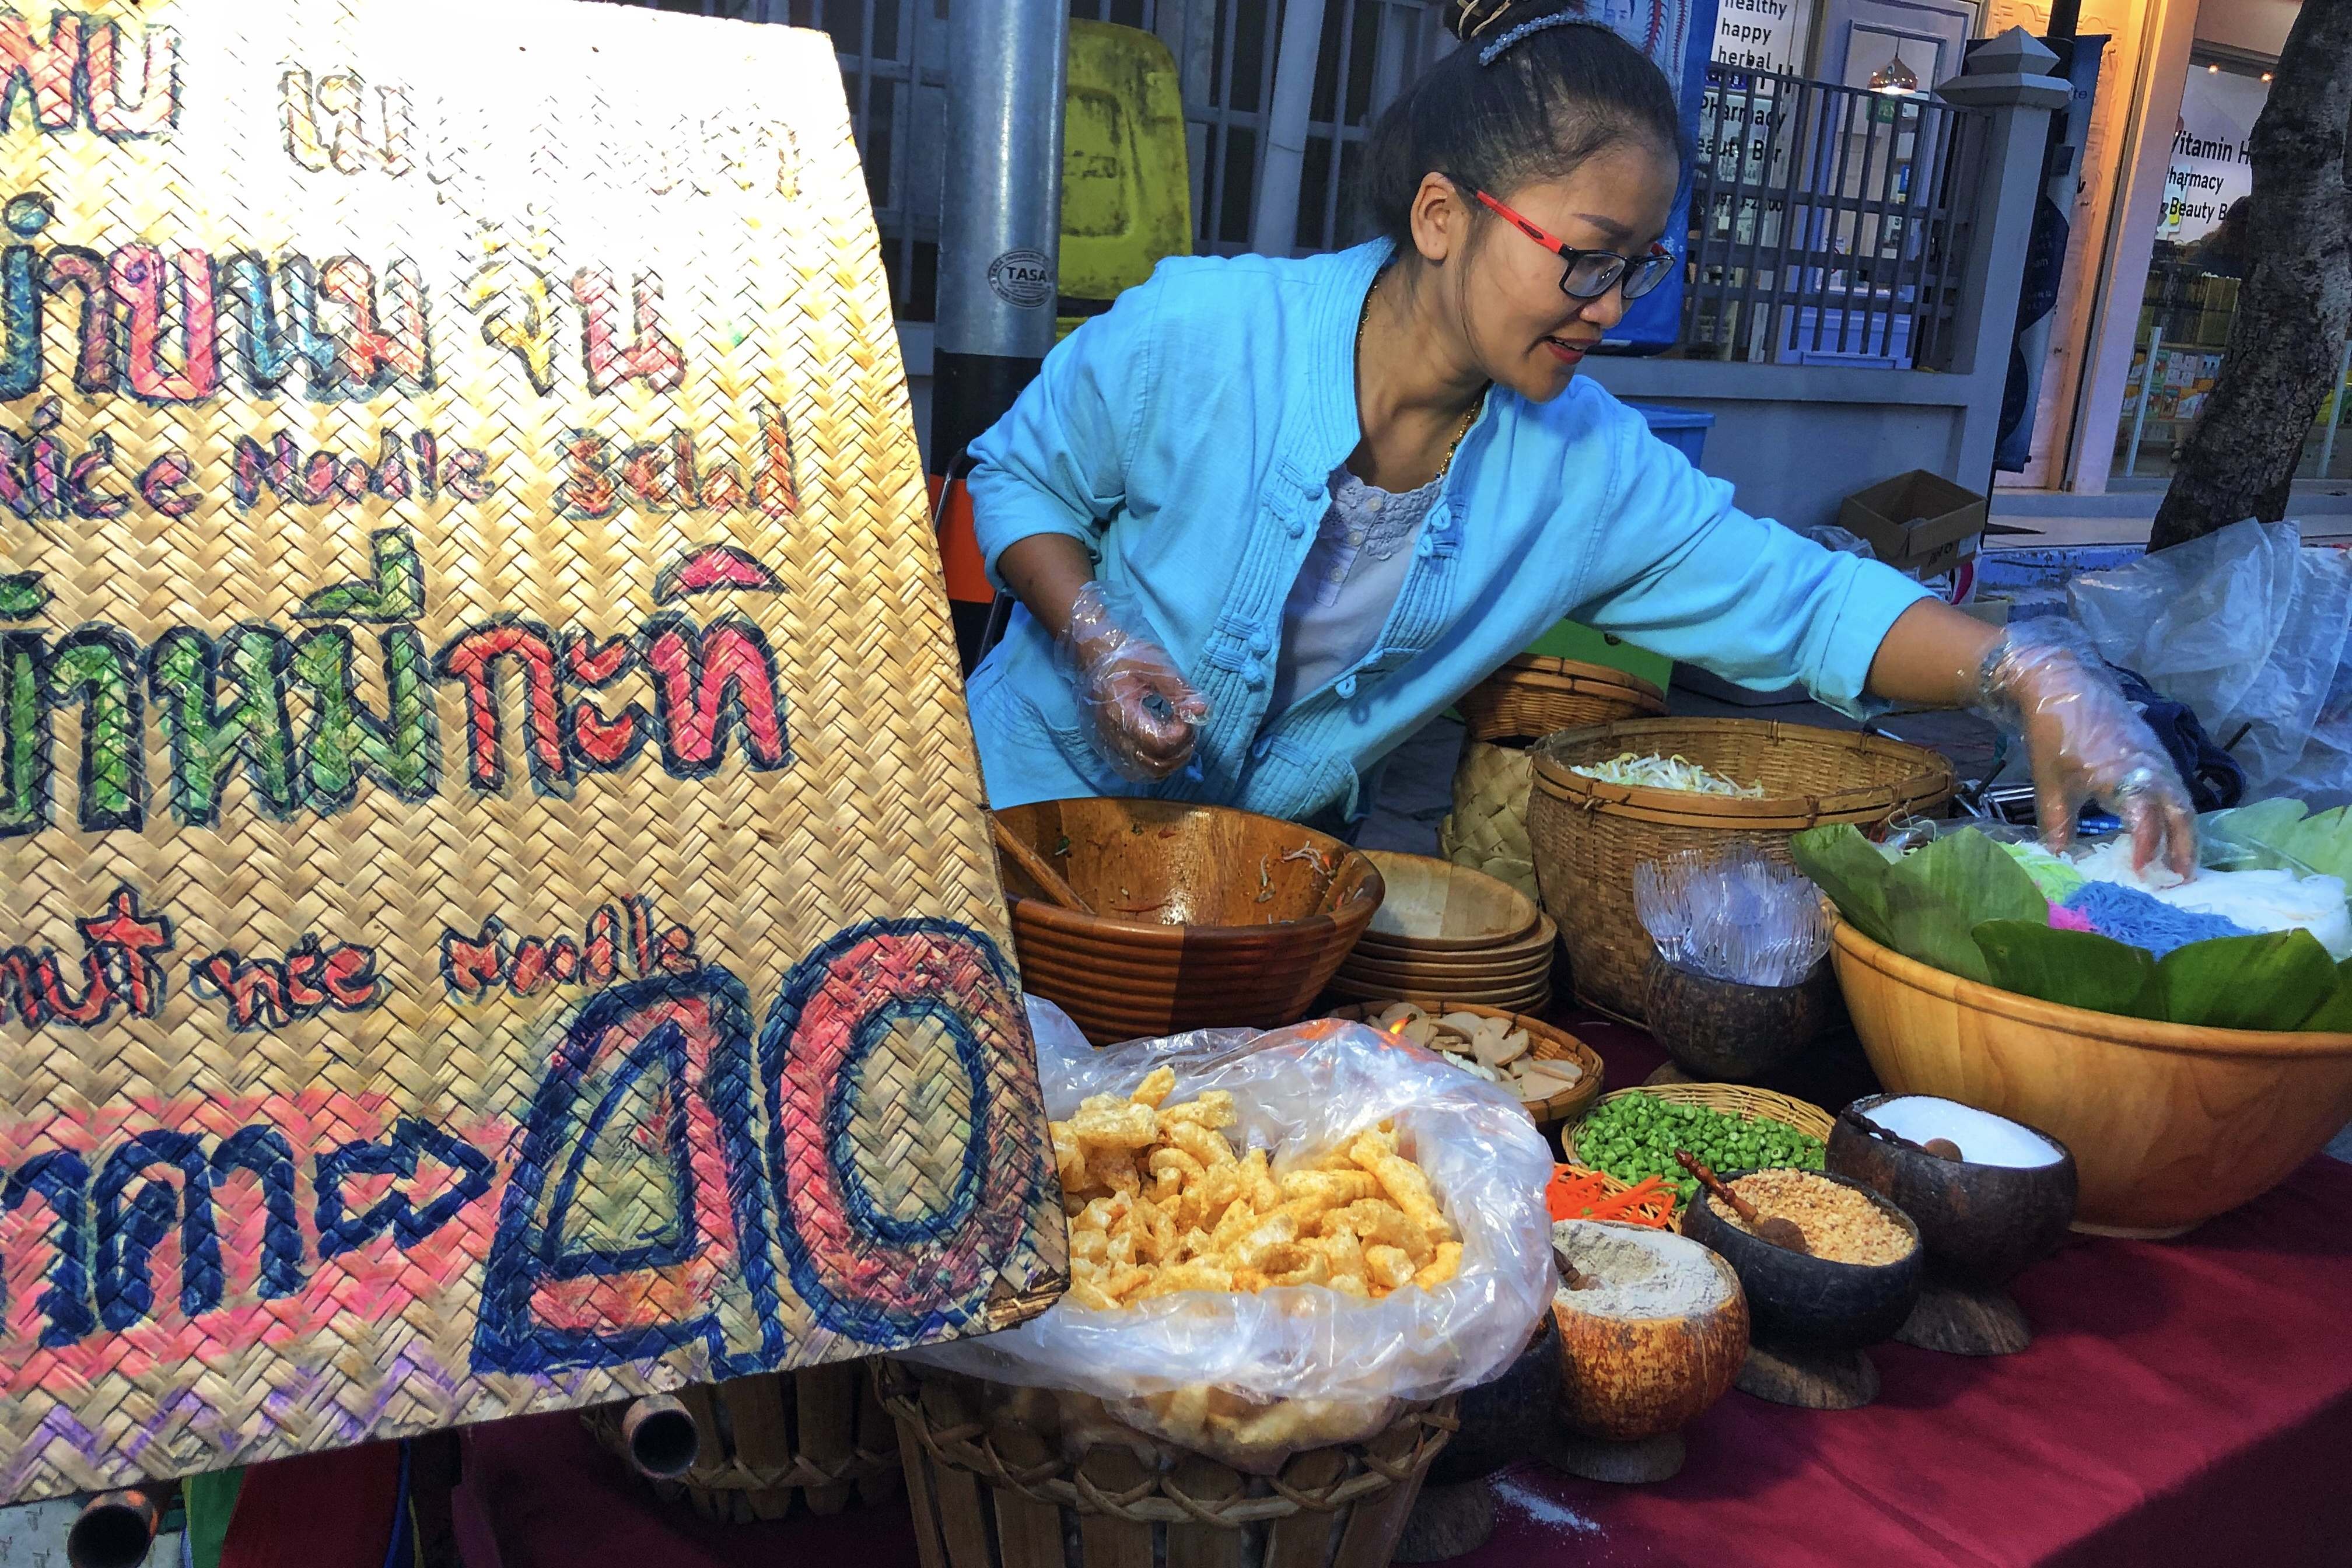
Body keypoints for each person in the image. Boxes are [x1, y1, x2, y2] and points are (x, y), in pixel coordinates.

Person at [962, 0, 2195, 873]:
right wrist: (1098, 640)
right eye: (1584, 257)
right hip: (1015, 837)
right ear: (1442, 215)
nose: (1612, 305)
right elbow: (1016, 480)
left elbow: (1810, 603)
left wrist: (2029, 670)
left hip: (1259, 899)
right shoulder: (1204, 328)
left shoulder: (1586, 470)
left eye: (1640, 262)